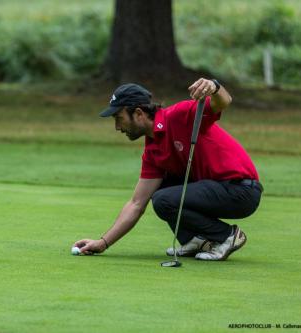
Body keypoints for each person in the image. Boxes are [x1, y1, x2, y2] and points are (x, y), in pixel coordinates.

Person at [73, 78, 263, 261]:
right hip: (215, 189)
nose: (116, 127)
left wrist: (214, 86)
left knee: (163, 198)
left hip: (241, 191)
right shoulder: (152, 150)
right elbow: (136, 204)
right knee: (162, 190)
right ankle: (195, 240)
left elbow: (223, 102)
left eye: (118, 118)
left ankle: (227, 235)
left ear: (138, 113)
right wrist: (103, 243)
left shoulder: (178, 115)